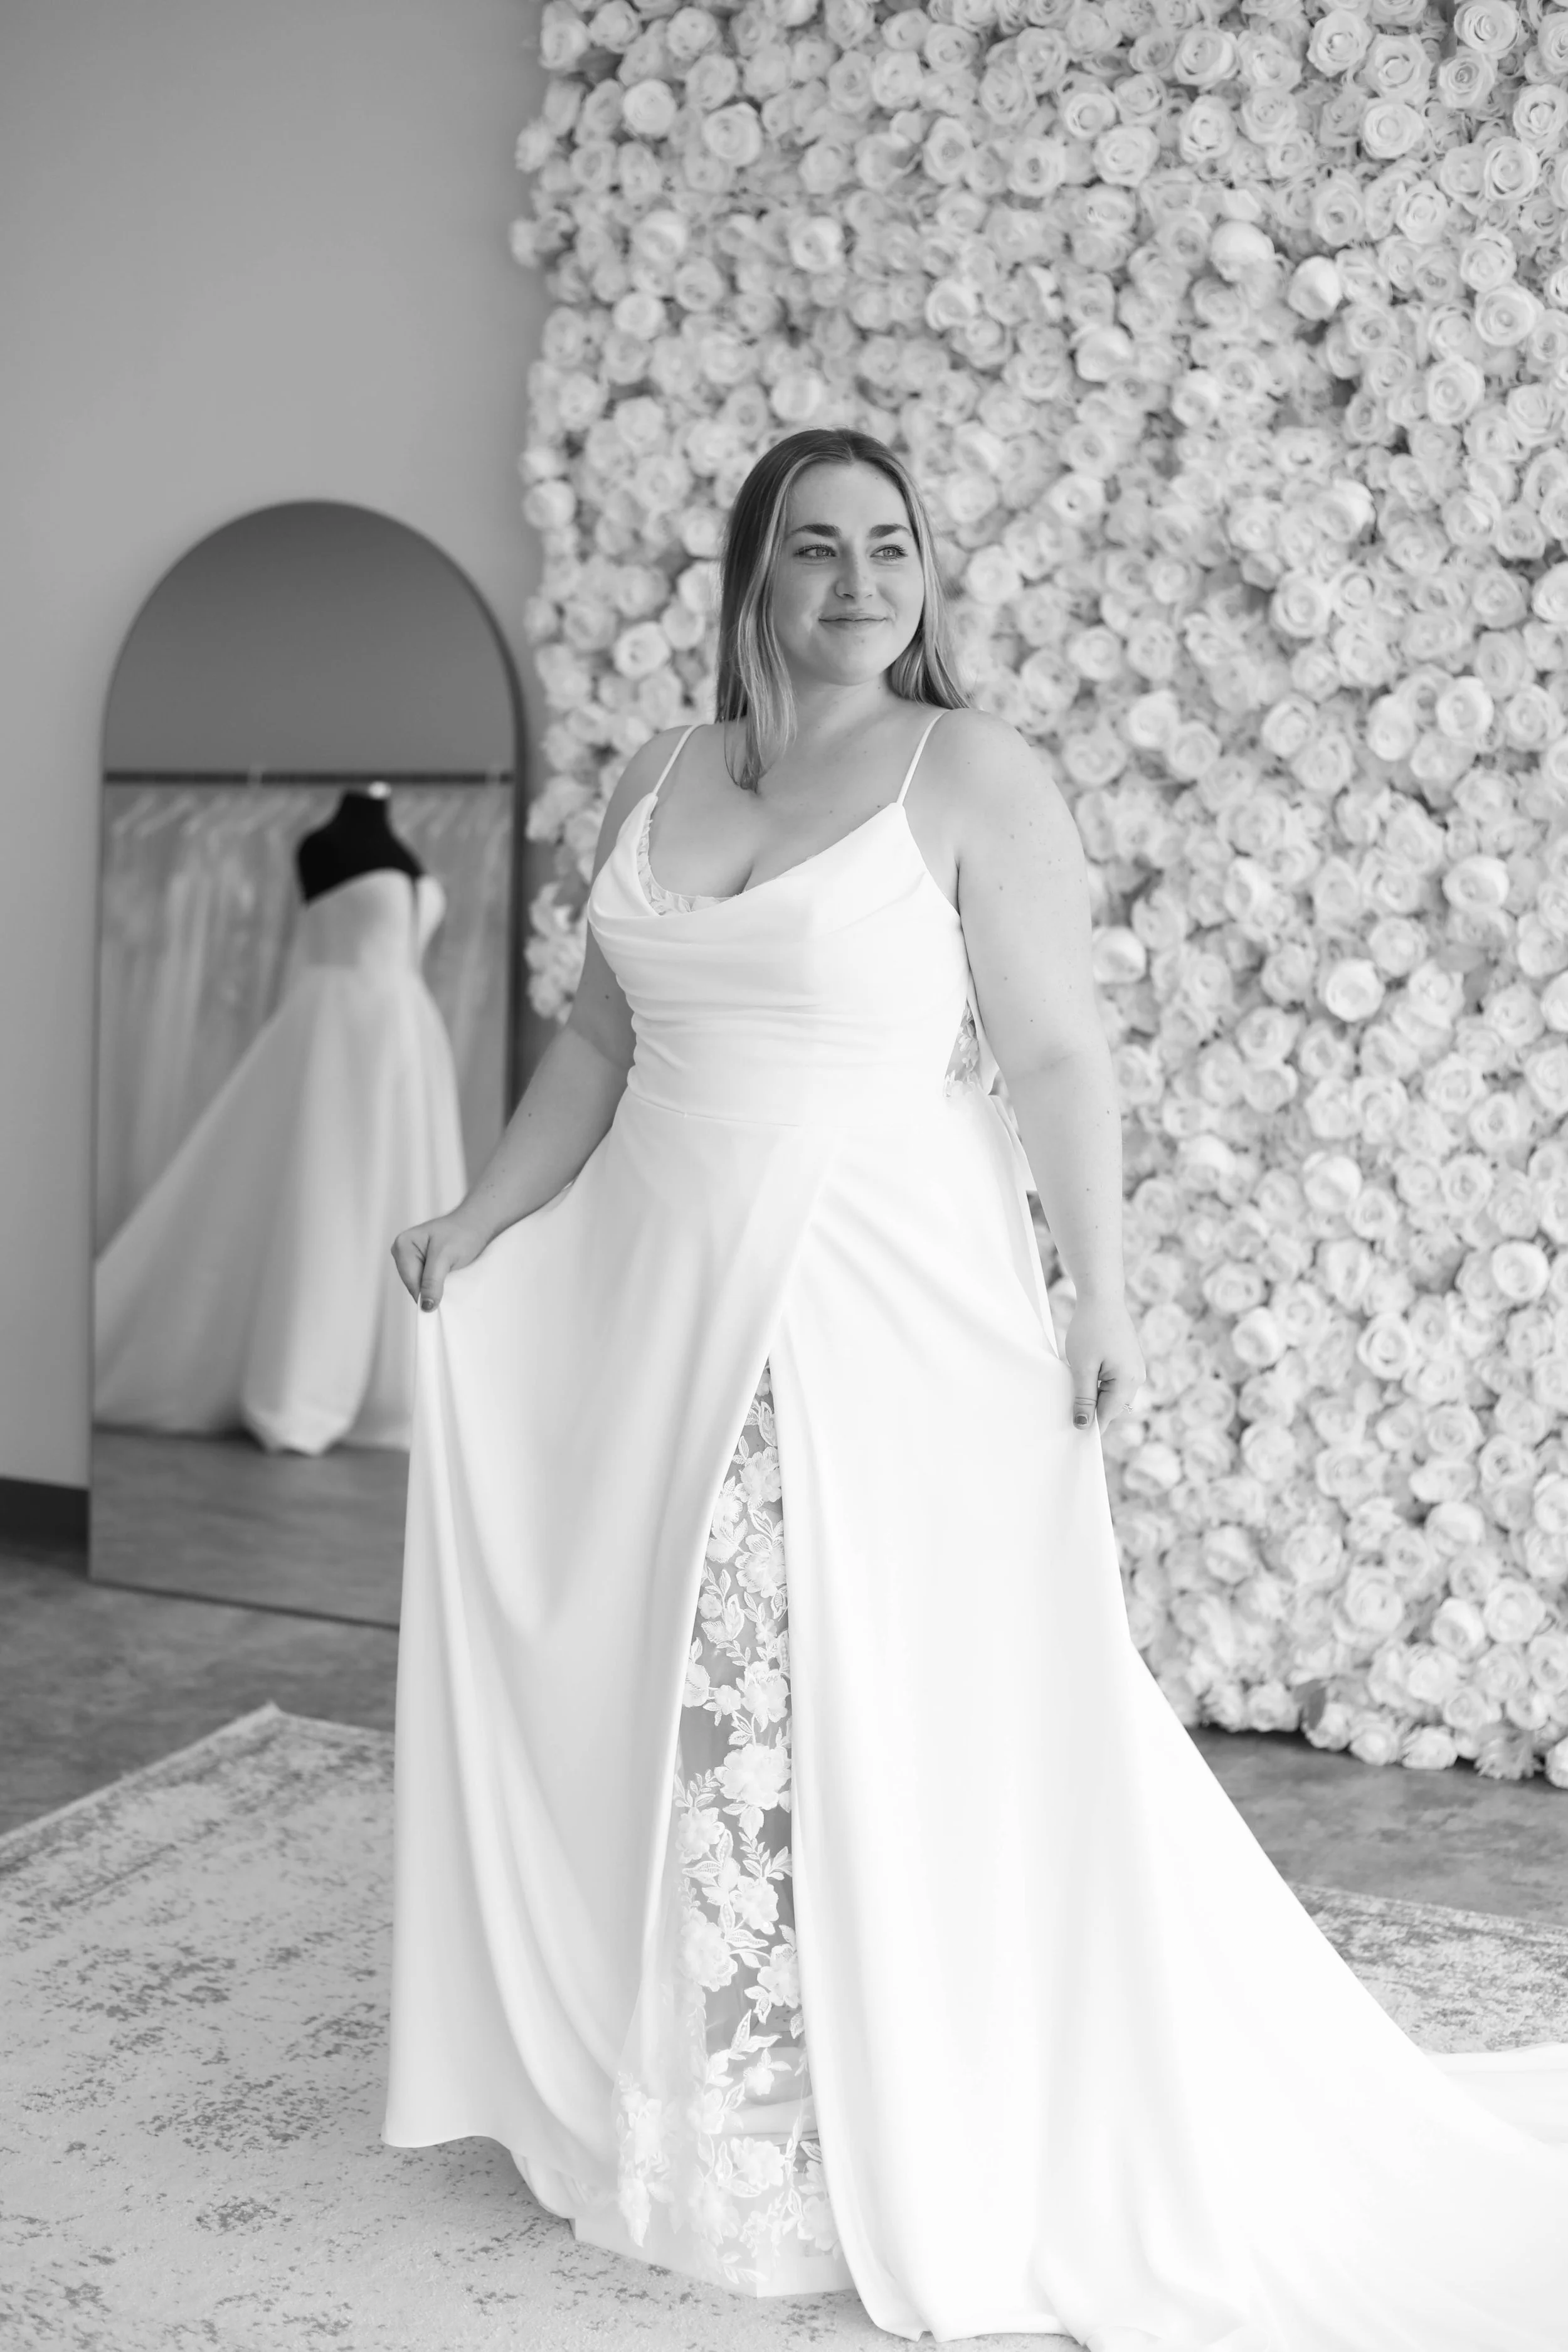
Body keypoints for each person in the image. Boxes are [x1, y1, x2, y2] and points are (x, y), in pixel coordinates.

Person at [383, 430, 1568, 2346]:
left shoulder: (970, 772)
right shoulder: (655, 774)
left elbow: (1056, 1053)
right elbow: (596, 1041)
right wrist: (479, 1214)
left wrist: (1099, 1294)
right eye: (816, 547)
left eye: (892, 546)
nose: (861, 580)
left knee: (851, 1682)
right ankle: (724, 2083)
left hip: (883, 1297)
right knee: (692, 1681)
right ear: (752, 576)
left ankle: (887, 2100)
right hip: (657, 1286)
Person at [95, 783, 464, 1453]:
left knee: (397, 1190)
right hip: (339, 1033)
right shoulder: (322, 846)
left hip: (408, 1037)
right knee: (329, 1190)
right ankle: (302, 1379)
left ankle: (391, 1383)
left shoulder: (401, 851)